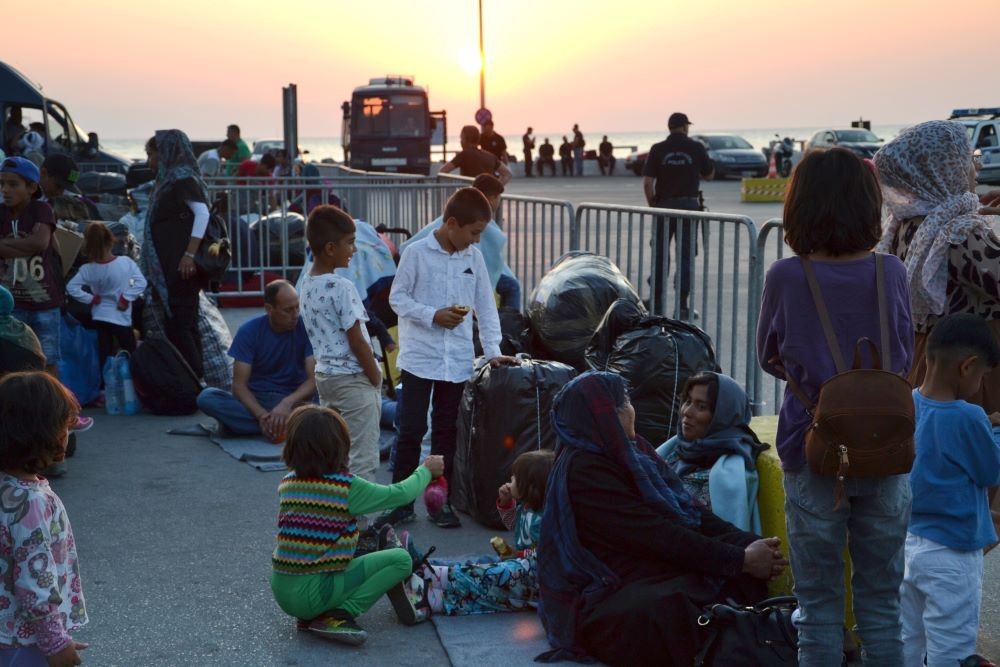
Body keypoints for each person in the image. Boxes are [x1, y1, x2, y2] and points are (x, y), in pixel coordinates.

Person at [757, 147, 915, 666]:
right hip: (887, 448)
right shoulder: (890, 271)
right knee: (882, 605)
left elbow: (769, 356)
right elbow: (906, 351)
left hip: (814, 449)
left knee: (819, 606)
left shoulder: (785, 276)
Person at [536, 372, 786, 666]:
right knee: (669, 606)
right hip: (607, 585)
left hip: (649, 566)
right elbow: (654, 534)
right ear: (605, 415)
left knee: (726, 584)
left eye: (701, 406)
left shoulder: (634, 451)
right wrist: (739, 558)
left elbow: (693, 515)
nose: (631, 409)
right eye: (625, 402)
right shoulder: (585, 470)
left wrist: (751, 545)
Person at [383, 188, 517, 529]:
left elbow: (486, 307)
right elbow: (397, 299)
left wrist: (493, 352)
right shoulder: (415, 253)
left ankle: (439, 501)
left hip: (455, 361)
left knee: (446, 433)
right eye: (472, 233)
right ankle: (400, 501)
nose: (475, 242)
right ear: (452, 223)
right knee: (411, 429)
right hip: (418, 358)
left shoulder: (473, 259)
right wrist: (432, 315)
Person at [270, 404, 444, 646]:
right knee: (401, 560)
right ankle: (337, 615)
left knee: (360, 545)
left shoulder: (288, 482)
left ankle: (316, 613)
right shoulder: (345, 488)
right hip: (312, 593)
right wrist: (426, 471)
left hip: (282, 587)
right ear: (339, 448)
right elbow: (400, 494)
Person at [875, 120, 1000, 412]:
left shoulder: (904, 225)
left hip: (928, 363)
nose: (976, 168)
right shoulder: (959, 232)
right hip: (975, 375)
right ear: (943, 169)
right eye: (970, 160)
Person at [901, 314, 1000, 666]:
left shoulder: (907, 403)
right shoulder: (969, 417)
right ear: (968, 367)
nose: (981, 382)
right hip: (952, 558)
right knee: (951, 652)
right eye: (983, 374)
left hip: (907, 546)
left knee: (905, 645)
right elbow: (990, 470)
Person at [0, 372, 88, 665]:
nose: (69, 434)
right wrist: (55, 644)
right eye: (65, 427)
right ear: (42, 432)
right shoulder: (32, 502)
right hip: (24, 640)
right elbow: (35, 581)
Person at [404, 449, 554, 615]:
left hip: (532, 578)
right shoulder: (525, 506)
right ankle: (427, 571)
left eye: (515, 477)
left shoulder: (544, 518)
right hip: (520, 568)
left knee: (487, 577)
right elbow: (513, 525)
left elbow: (542, 552)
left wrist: (518, 554)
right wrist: (506, 504)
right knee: (484, 563)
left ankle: (432, 592)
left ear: (530, 486)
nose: (510, 479)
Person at [300, 206, 383, 481]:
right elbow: (357, 340)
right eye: (350, 242)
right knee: (363, 456)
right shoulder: (341, 287)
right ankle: (359, 521)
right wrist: (375, 376)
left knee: (335, 454)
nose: (354, 250)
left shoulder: (307, 284)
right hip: (353, 379)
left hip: (326, 378)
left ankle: (331, 515)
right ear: (331, 248)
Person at [196, 280, 316, 442]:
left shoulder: (306, 327)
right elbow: (239, 386)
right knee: (207, 397)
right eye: (288, 310)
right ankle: (282, 425)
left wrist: (286, 404)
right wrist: (261, 415)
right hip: (259, 400)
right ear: (269, 309)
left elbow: (313, 379)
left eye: (297, 307)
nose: (295, 315)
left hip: (295, 399)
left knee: (331, 395)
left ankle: (270, 426)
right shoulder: (249, 331)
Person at [140, 130, 212, 377]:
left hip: (182, 267)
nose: (149, 161)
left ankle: (193, 378)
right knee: (184, 322)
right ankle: (196, 376)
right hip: (173, 265)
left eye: (151, 155)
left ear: (166, 154)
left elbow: (202, 214)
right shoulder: (168, 181)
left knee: (180, 325)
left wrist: (189, 255)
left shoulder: (182, 180)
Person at [656, 372, 767, 533]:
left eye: (701, 407)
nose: (687, 412)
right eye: (687, 401)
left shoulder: (728, 474)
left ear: (723, 415)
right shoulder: (673, 450)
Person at [400, 174, 522, 309]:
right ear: (492, 198)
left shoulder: (461, 213)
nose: (477, 240)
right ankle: (511, 326)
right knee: (512, 286)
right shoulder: (474, 218)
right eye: (474, 233)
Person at [643, 112, 714, 319]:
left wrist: (654, 206)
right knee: (686, 256)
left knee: (660, 254)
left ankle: (655, 302)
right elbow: (709, 175)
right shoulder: (696, 147)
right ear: (684, 127)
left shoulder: (658, 149)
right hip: (689, 209)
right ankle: (682, 305)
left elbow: (648, 183)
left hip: (663, 208)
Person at [0, 157, 64, 377]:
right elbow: (32, 244)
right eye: (2, 184)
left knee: (49, 360)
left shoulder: (41, 210)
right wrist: (25, 246)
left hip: (45, 302)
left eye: (13, 184)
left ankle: (57, 409)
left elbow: (39, 243)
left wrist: (6, 245)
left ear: (31, 187)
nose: (5, 190)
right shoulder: (1, 213)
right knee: (11, 363)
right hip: (11, 305)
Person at [66, 223, 146, 363]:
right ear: (111, 241)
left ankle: (105, 382)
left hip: (100, 316)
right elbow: (141, 283)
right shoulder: (125, 262)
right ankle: (133, 381)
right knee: (131, 353)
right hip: (121, 316)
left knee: (104, 353)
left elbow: (71, 288)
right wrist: (125, 299)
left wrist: (91, 299)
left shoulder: (87, 269)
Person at [439, 126, 512, 185]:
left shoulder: (464, 155)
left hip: (469, 197)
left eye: (461, 138)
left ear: (465, 140)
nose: (460, 141)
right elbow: (507, 174)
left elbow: (442, 172)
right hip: (487, 199)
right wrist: (495, 189)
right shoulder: (490, 156)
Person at [39, 154, 101, 220]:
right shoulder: (28, 195)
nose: (60, 193)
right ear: (43, 173)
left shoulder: (83, 203)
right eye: (58, 186)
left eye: (64, 188)